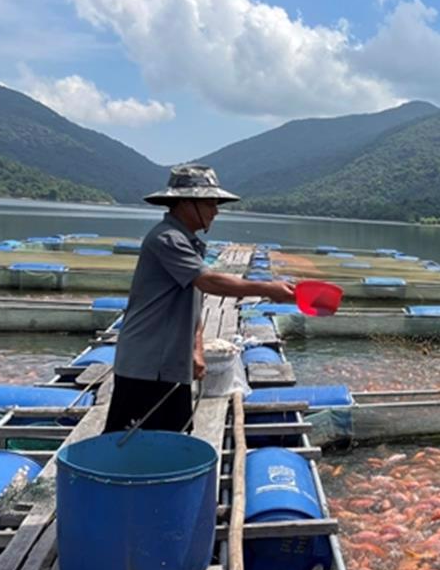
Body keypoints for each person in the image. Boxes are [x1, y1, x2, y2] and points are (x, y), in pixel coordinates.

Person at [103, 164, 296, 434]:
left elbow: (192, 299)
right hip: (147, 365)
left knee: (174, 436)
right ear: (184, 203)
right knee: (127, 441)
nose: (215, 211)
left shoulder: (186, 240)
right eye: (210, 203)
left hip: (170, 363)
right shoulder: (167, 239)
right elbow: (209, 282)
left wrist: (196, 349)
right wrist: (267, 288)